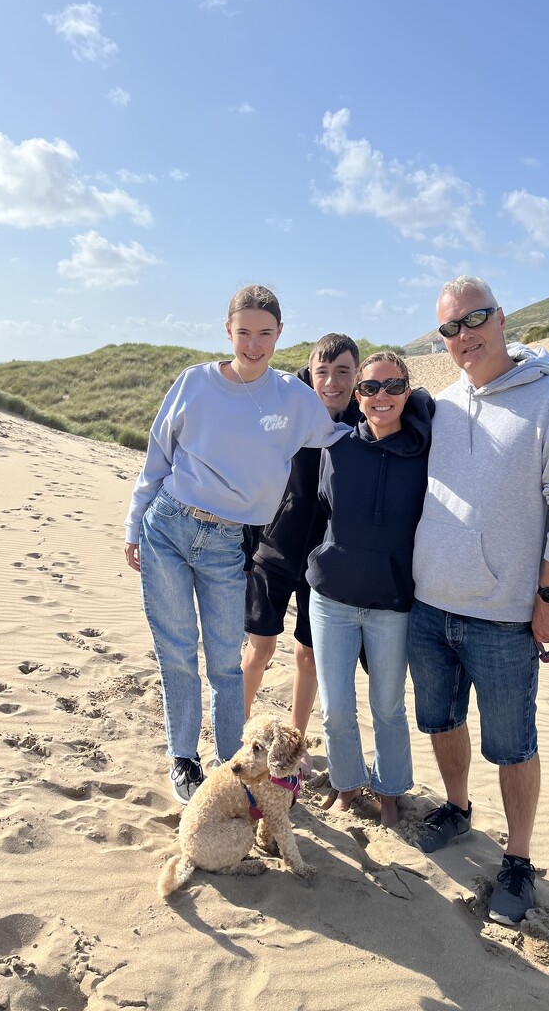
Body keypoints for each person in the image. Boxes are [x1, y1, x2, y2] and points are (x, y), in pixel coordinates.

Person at [407, 276, 549, 924]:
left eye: (475, 319)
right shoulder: (440, 404)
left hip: (502, 616)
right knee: (440, 721)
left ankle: (516, 858)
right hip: (429, 608)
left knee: (512, 743)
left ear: (501, 317)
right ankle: (457, 809)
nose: (464, 336)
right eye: (450, 328)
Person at [124, 285, 349, 805]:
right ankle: (183, 759)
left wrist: (407, 408)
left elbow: (341, 436)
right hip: (169, 527)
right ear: (228, 331)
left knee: (226, 664)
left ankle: (229, 770)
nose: (253, 344)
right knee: (177, 653)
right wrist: (134, 524)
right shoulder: (194, 383)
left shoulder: (294, 398)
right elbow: (158, 457)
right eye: (244, 332)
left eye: (264, 333)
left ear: (278, 335)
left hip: (228, 542)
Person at [307, 352, 434, 827]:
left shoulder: (426, 451)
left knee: (387, 706)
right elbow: (323, 505)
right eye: (370, 388)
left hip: (392, 603)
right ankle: (345, 785)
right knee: (336, 707)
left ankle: (390, 792)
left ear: (408, 391)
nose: (381, 397)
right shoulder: (336, 447)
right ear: (357, 395)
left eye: (393, 386)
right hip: (332, 598)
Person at [241, 334, 360, 754]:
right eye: (322, 372)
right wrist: (246, 546)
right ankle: (235, 731)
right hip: (272, 552)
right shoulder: (287, 415)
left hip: (324, 564)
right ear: (310, 376)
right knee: (260, 649)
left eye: (342, 371)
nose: (331, 382)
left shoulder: (364, 426)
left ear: (356, 375)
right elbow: (251, 474)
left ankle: (292, 744)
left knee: (308, 655)